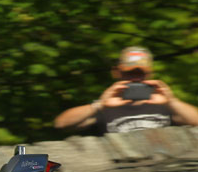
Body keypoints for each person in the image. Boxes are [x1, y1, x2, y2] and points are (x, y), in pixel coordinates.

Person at [54, 46, 198, 133]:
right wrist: (100, 104)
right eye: (130, 73)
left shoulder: (164, 105)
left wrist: (172, 101)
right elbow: (61, 124)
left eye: (141, 74)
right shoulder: (105, 107)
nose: (135, 78)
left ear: (150, 74)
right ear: (117, 72)